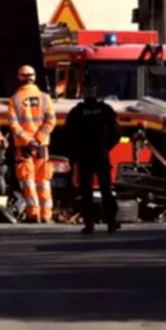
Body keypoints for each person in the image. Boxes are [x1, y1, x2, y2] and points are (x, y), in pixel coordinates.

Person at [65, 78, 122, 234]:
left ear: (82, 92)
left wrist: (75, 154)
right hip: (100, 154)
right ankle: (111, 222)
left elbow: (68, 135)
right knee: (105, 189)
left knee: (86, 190)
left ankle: (89, 224)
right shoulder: (105, 110)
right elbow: (116, 133)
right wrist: (105, 148)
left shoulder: (77, 112)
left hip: (85, 155)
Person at [7, 65, 56, 223]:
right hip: (41, 146)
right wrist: (38, 139)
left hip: (24, 146)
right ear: (34, 77)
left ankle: (33, 213)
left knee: (28, 180)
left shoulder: (14, 99)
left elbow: (14, 125)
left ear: (20, 78)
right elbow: (50, 121)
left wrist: (28, 140)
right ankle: (47, 214)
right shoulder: (45, 98)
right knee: (43, 181)